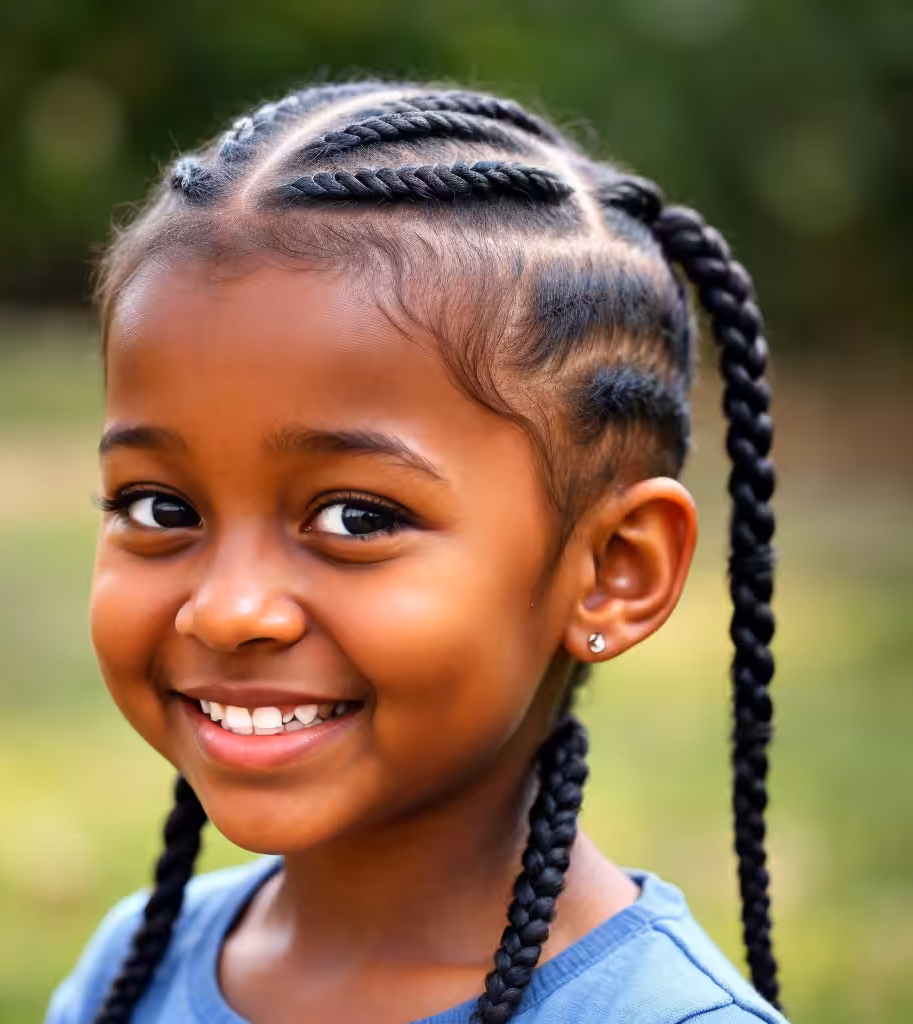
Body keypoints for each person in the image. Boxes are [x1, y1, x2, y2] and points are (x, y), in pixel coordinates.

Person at [46, 82, 788, 1024]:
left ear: (614, 571)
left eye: (356, 518)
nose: (229, 609)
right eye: (160, 505)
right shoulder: (129, 972)